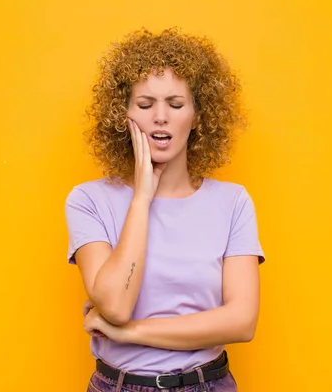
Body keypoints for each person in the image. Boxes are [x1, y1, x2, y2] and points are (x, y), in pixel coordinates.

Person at [65, 27, 266, 392]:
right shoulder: (88, 200)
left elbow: (241, 322)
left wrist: (128, 333)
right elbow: (114, 305)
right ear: (121, 116)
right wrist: (142, 197)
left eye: (175, 104)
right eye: (145, 105)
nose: (160, 117)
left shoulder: (233, 202)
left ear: (197, 116)